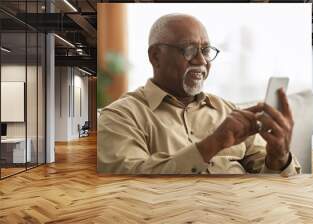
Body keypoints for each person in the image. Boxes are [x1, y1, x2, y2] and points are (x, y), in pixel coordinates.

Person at [97, 13, 301, 176]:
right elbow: (126, 182)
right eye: (189, 50)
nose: (201, 61)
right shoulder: (121, 116)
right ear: (156, 56)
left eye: (205, 50)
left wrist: (278, 156)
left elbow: (273, 179)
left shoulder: (230, 111)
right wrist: (213, 144)